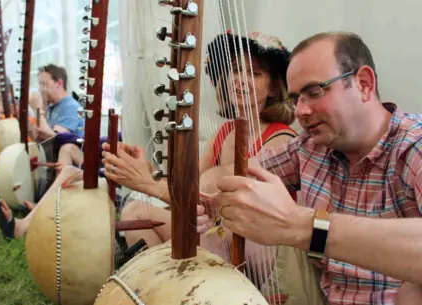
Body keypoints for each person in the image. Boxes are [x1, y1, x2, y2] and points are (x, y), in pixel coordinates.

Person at [100, 32, 327, 303]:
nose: (240, 80)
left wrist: (146, 183)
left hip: (260, 250)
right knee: (138, 210)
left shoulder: (281, 138)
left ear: (273, 87)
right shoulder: (225, 131)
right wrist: (144, 168)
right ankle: (158, 291)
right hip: (217, 229)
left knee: (213, 229)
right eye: (234, 70)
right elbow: (186, 189)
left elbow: (213, 193)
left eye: (253, 73)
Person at [200, 31, 422, 304]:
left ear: (363, 84)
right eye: (296, 99)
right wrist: (206, 200)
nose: (301, 111)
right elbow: (236, 175)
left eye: (315, 92)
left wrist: (301, 225)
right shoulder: (311, 146)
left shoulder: (414, 146)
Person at [35, 64, 84, 141]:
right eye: (40, 85)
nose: (40, 89)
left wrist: (37, 107)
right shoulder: (51, 106)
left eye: (44, 84)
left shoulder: (72, 107)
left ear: (59, 83)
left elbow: (54, 139)